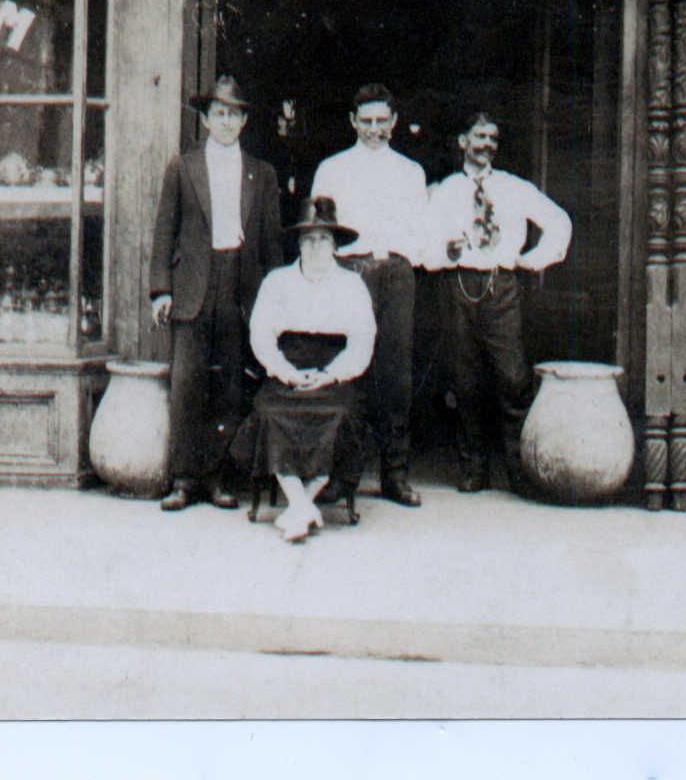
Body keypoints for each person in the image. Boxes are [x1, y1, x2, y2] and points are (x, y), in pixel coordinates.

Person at [150, 75, 283, 511]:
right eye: (219, 113)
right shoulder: (183, 167)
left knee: (229, 384)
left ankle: (219, 479)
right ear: (205, 119)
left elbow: (270, 244)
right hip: (192, 284)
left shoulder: (261, 174)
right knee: (187, 383)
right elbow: (164, 231)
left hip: (238, 282)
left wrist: (273, 298)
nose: (226, 121)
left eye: (235, 114)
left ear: (244, 122)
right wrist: (160, 291)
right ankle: (184, 480)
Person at [422, 111, 572, 494]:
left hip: (502, 286)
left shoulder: (513, 188)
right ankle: (473, 468)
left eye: (493, 138)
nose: (487, 144)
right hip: (457, 285)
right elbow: (422, 243)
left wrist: (532, 261)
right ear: (462, 141)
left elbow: (559, 222)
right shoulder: (443, 192)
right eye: (479, 136)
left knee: (512, 378)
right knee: (465, 380)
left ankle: (521, 470)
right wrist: (445, 254)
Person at [310, 83, 429, 508]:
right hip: (349, 273)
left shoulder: (411, 172)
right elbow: (319, 230)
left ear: (394, 122)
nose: (375, 129)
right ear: (353, 122)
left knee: (395, 377)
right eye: (367, 122)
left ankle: (395, 477)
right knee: (346, 372)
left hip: (395, 274)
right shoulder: (331, 169)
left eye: (382, 122)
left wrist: (402, 264)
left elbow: (420, 229)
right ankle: (342, 477)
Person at [232, 197, 376, 541]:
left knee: (339, 413)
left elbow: (362, 340)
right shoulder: (277, 282)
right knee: (270, 411)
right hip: (288, 370)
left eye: (324, 239)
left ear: (335, 244)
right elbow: (262, 335)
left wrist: (332, 374)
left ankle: (297, 508)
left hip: (334, 372)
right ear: (298, 243)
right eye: (308, 239)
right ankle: (302, 506)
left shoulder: (352, 284)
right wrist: (287, 372)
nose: (315, 247)